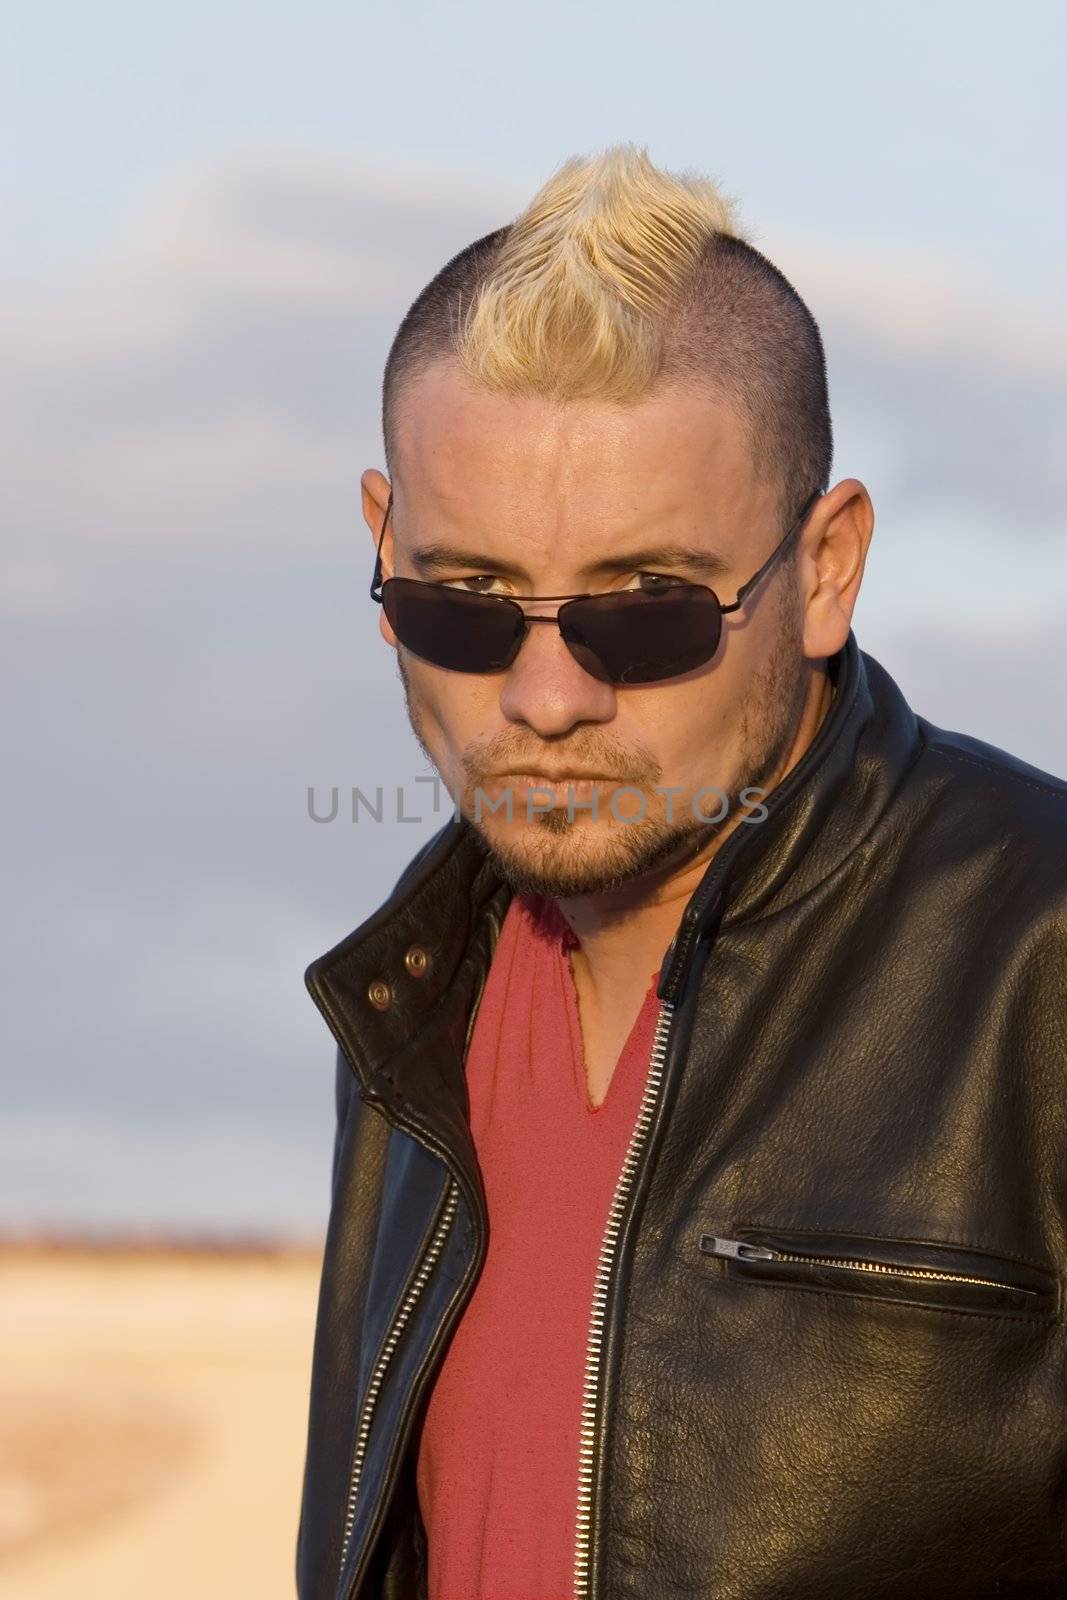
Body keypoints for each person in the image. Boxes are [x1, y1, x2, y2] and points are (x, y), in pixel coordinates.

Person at [295, 144, 1067, 1600]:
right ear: (382, 548)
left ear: (827, 566)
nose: (541, 701)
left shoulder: (1040, 956)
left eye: (640, 617)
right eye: (460, 608)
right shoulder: (410, 991)